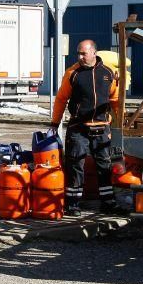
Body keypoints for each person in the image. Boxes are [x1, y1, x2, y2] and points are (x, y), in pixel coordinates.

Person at [50, 39, 120, 217]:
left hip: (102, 127)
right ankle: (73, 204)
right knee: (75, 165)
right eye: (78, 53)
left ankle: (108, 202)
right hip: (78, 127)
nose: (80, 57)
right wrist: (54, 123)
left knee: (104, 166)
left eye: (83, 53)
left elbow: (115, 100)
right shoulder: (72, 73)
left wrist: (122, 120)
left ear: (94, 53)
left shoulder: (108, 73)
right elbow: (61, 99)